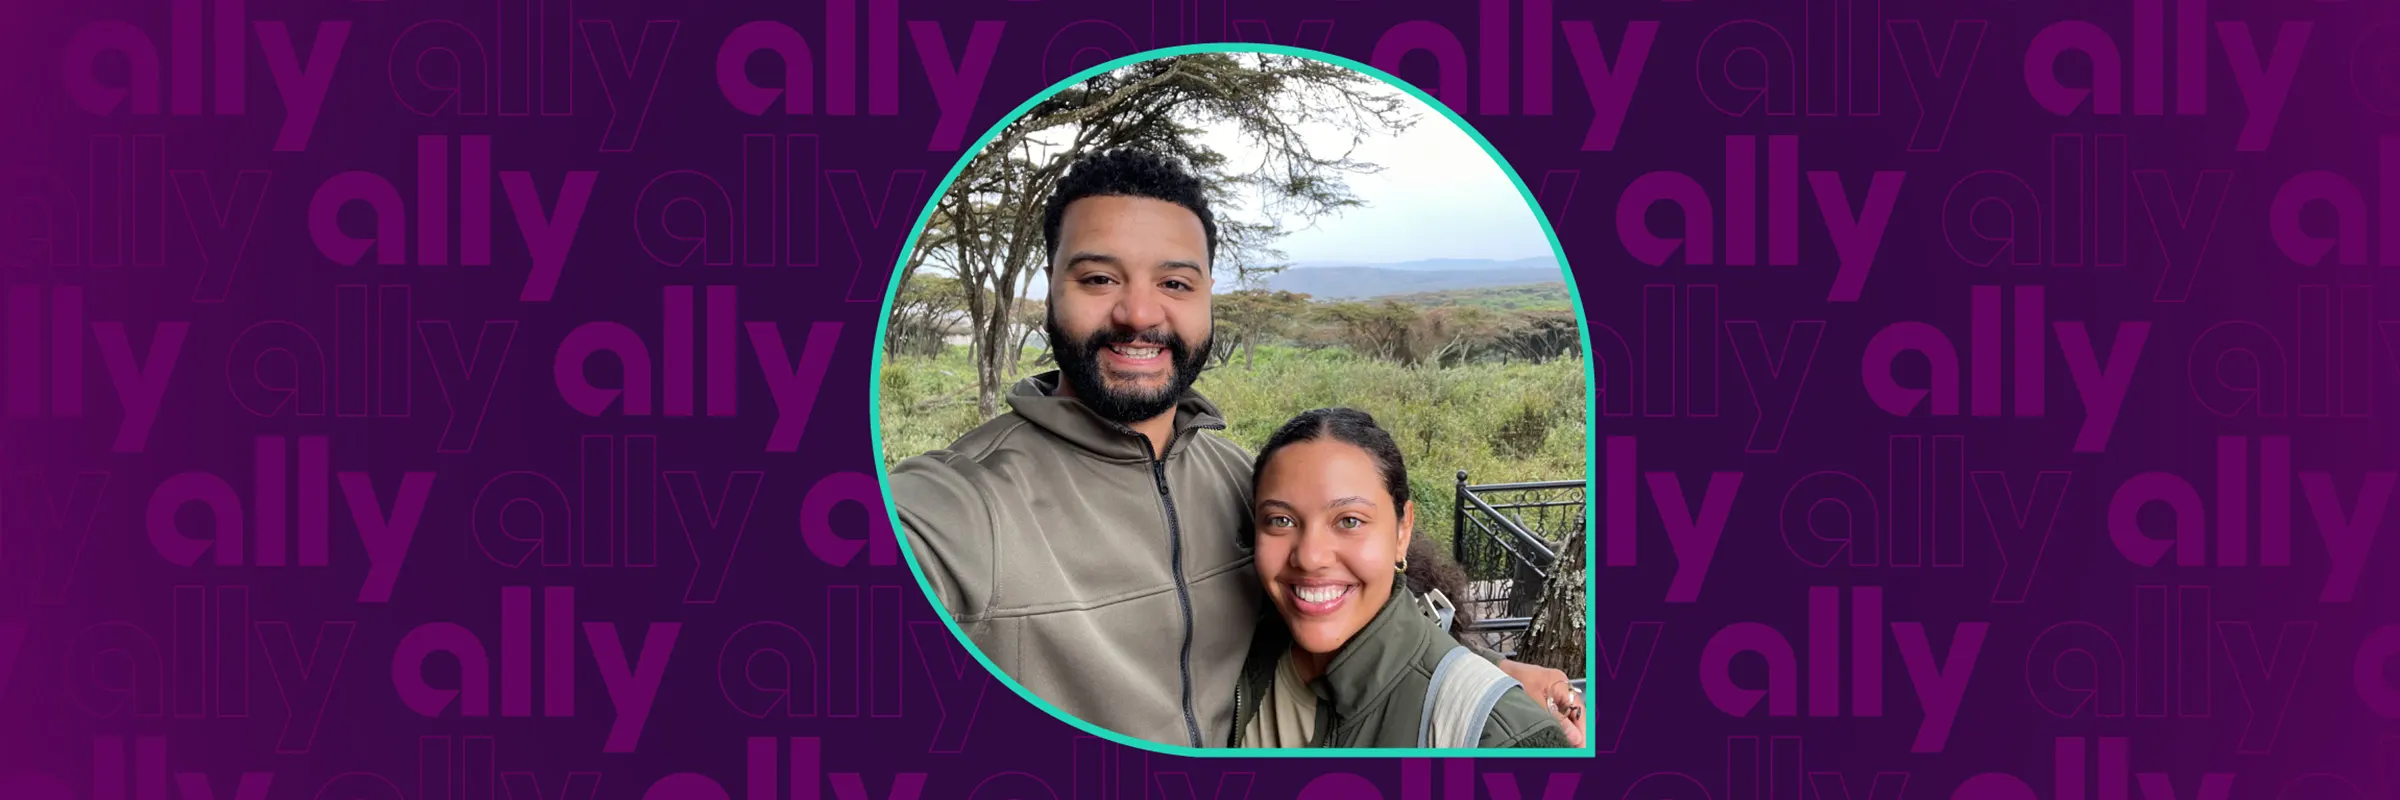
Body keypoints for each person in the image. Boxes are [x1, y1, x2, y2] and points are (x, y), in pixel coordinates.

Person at [888, 147, 1583, 748]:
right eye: (1099, 278)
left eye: (1175, 283)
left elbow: (1352, 600)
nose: (1138, 312)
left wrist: (1476, 676)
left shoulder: (1242, 481)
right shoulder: (957, 508)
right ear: (1050, 289)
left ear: (1208, 298)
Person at [1231, 408, 1574, 748]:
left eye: (1349, 521)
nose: (1309, 556)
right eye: (1280, 520)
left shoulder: (1501, 738)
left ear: (1402, 531)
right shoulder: (1244, 645)